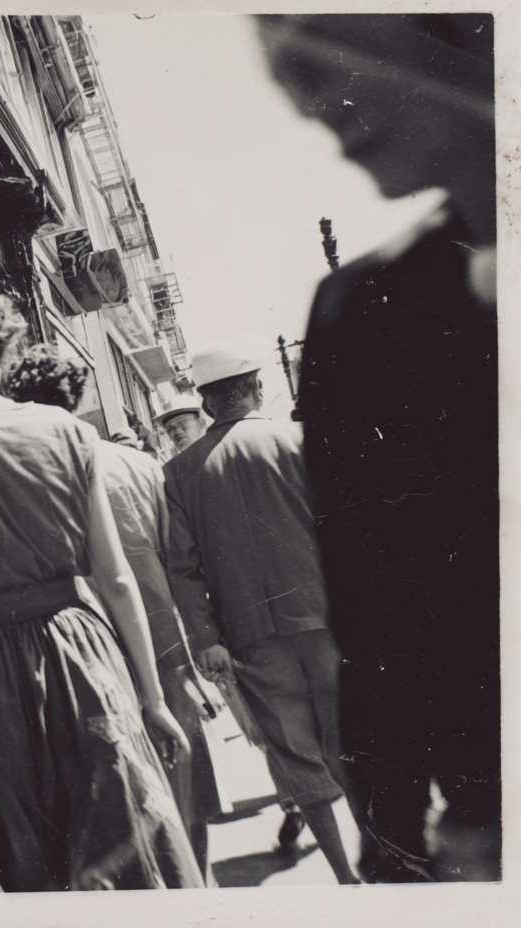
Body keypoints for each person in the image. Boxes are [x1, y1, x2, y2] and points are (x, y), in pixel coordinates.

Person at [258, 13, 498, 882]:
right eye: (288, 77)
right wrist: (400, 857)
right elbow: (378, 626)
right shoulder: (360, 312)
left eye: (322, 53)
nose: (310, 104)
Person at [0, 286, 202, 893]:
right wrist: (153, 698)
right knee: (126, 837)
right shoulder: (64, 430)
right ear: (3, 354)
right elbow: (115, 579)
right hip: (83, 654)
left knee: (31, 860)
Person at [4, 345, 220, 876]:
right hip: (163, 643)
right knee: (181, 785)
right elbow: (176, 560)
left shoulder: (28, 470)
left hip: (83, 653)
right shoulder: (141, 463)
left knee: (117, 802)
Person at [163, 338, 359, 885]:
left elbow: (184, 568)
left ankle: (346, 876)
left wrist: (206, 639)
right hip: (326, 618)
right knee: (354, 739)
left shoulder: (179, 472)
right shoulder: (300, 440)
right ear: (255, 386)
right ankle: (380, 855)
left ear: (205, 404)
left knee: (295, 754)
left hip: (249, 635)